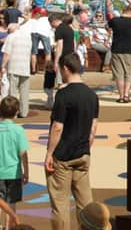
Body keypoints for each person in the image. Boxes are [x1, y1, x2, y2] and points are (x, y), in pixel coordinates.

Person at [45, 52, 99, 230]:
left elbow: (58, 127)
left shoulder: (64, 94)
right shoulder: (92, 95)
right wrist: (86, 146)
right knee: (85, 202)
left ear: (66, 69)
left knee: (60, 202)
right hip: (83, 152)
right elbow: (93, 128)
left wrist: (49, 153)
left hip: (63, 154)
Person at [0, 96, 29, 230]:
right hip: (14, 172)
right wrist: (26, 171)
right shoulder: (19, 130)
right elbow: (23, 153)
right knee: (12, 201)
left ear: (0, 110)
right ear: (17, 112)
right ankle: (7, 225)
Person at [108, 6, 131, 103]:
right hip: (129, 50)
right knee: (129, 72)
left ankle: (121, 96)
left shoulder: (115, 20)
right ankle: (126, 95)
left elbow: (107, 26)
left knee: (119, 73)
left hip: (116, 49)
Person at [1, 23, 32, 118]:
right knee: (24, 92)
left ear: (11, 30)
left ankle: (13, 113)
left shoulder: (11, 37)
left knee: (13, 92)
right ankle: (24, 112)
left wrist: (2, 66)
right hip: (25, 67)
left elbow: (7, 53)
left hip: (14, 67)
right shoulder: (28, 37)